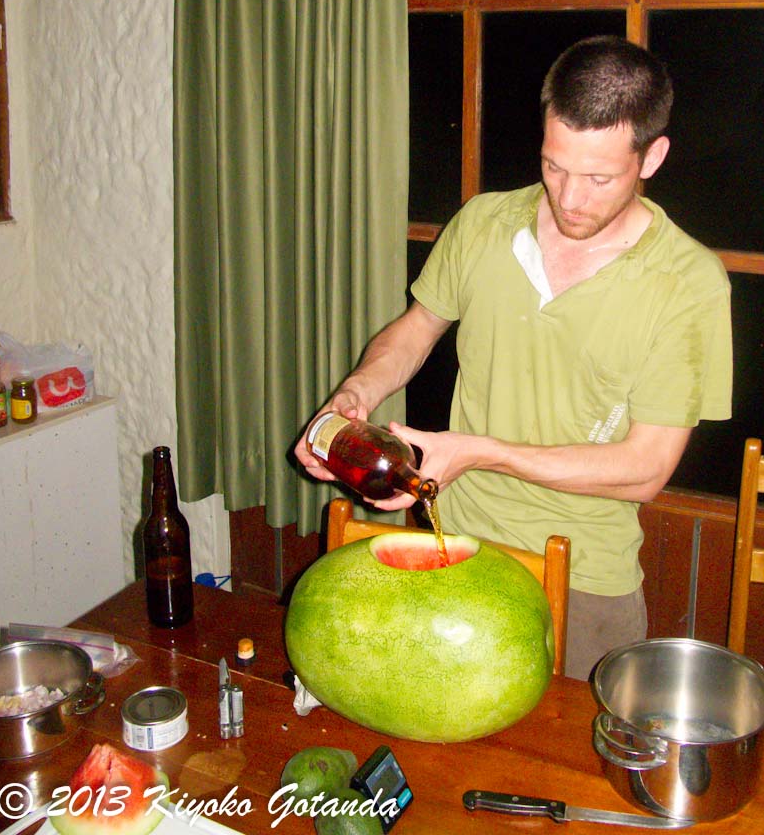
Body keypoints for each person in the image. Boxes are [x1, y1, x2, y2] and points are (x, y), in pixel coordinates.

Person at [295, 36, 732, 681]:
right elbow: (416, 330)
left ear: (653, 157)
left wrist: (479, 452)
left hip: (584, 576)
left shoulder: (688, 282)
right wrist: (355, 394)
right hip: (452, 539)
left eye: (599, 178)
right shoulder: (484, 223)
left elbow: (645, 469)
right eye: (555, 166)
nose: (569, 197)